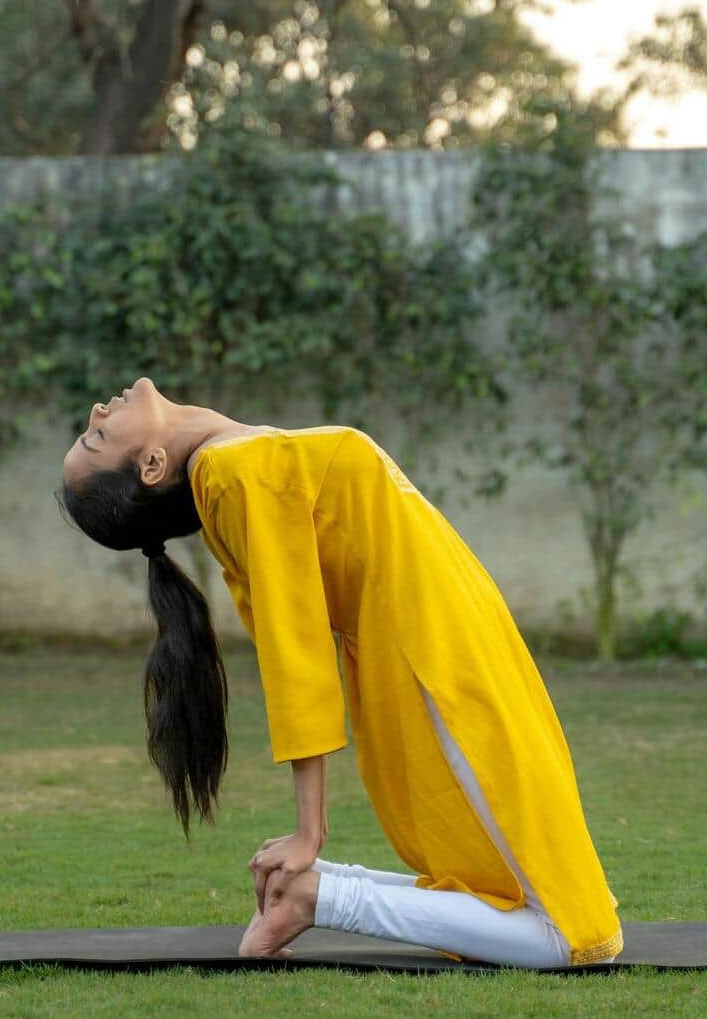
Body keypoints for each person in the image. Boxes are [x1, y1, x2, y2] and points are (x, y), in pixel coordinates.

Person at [56, 376, 622, 968]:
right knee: (573, 940)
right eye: (97, 436)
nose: (98, 410)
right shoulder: (235, 474)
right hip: (429, 662)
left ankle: (313, 887)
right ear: (151, 464)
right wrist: (309, 829)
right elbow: (293, 652)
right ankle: (316, 897)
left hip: (460, 641)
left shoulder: (237, 458)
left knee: (551, 895)